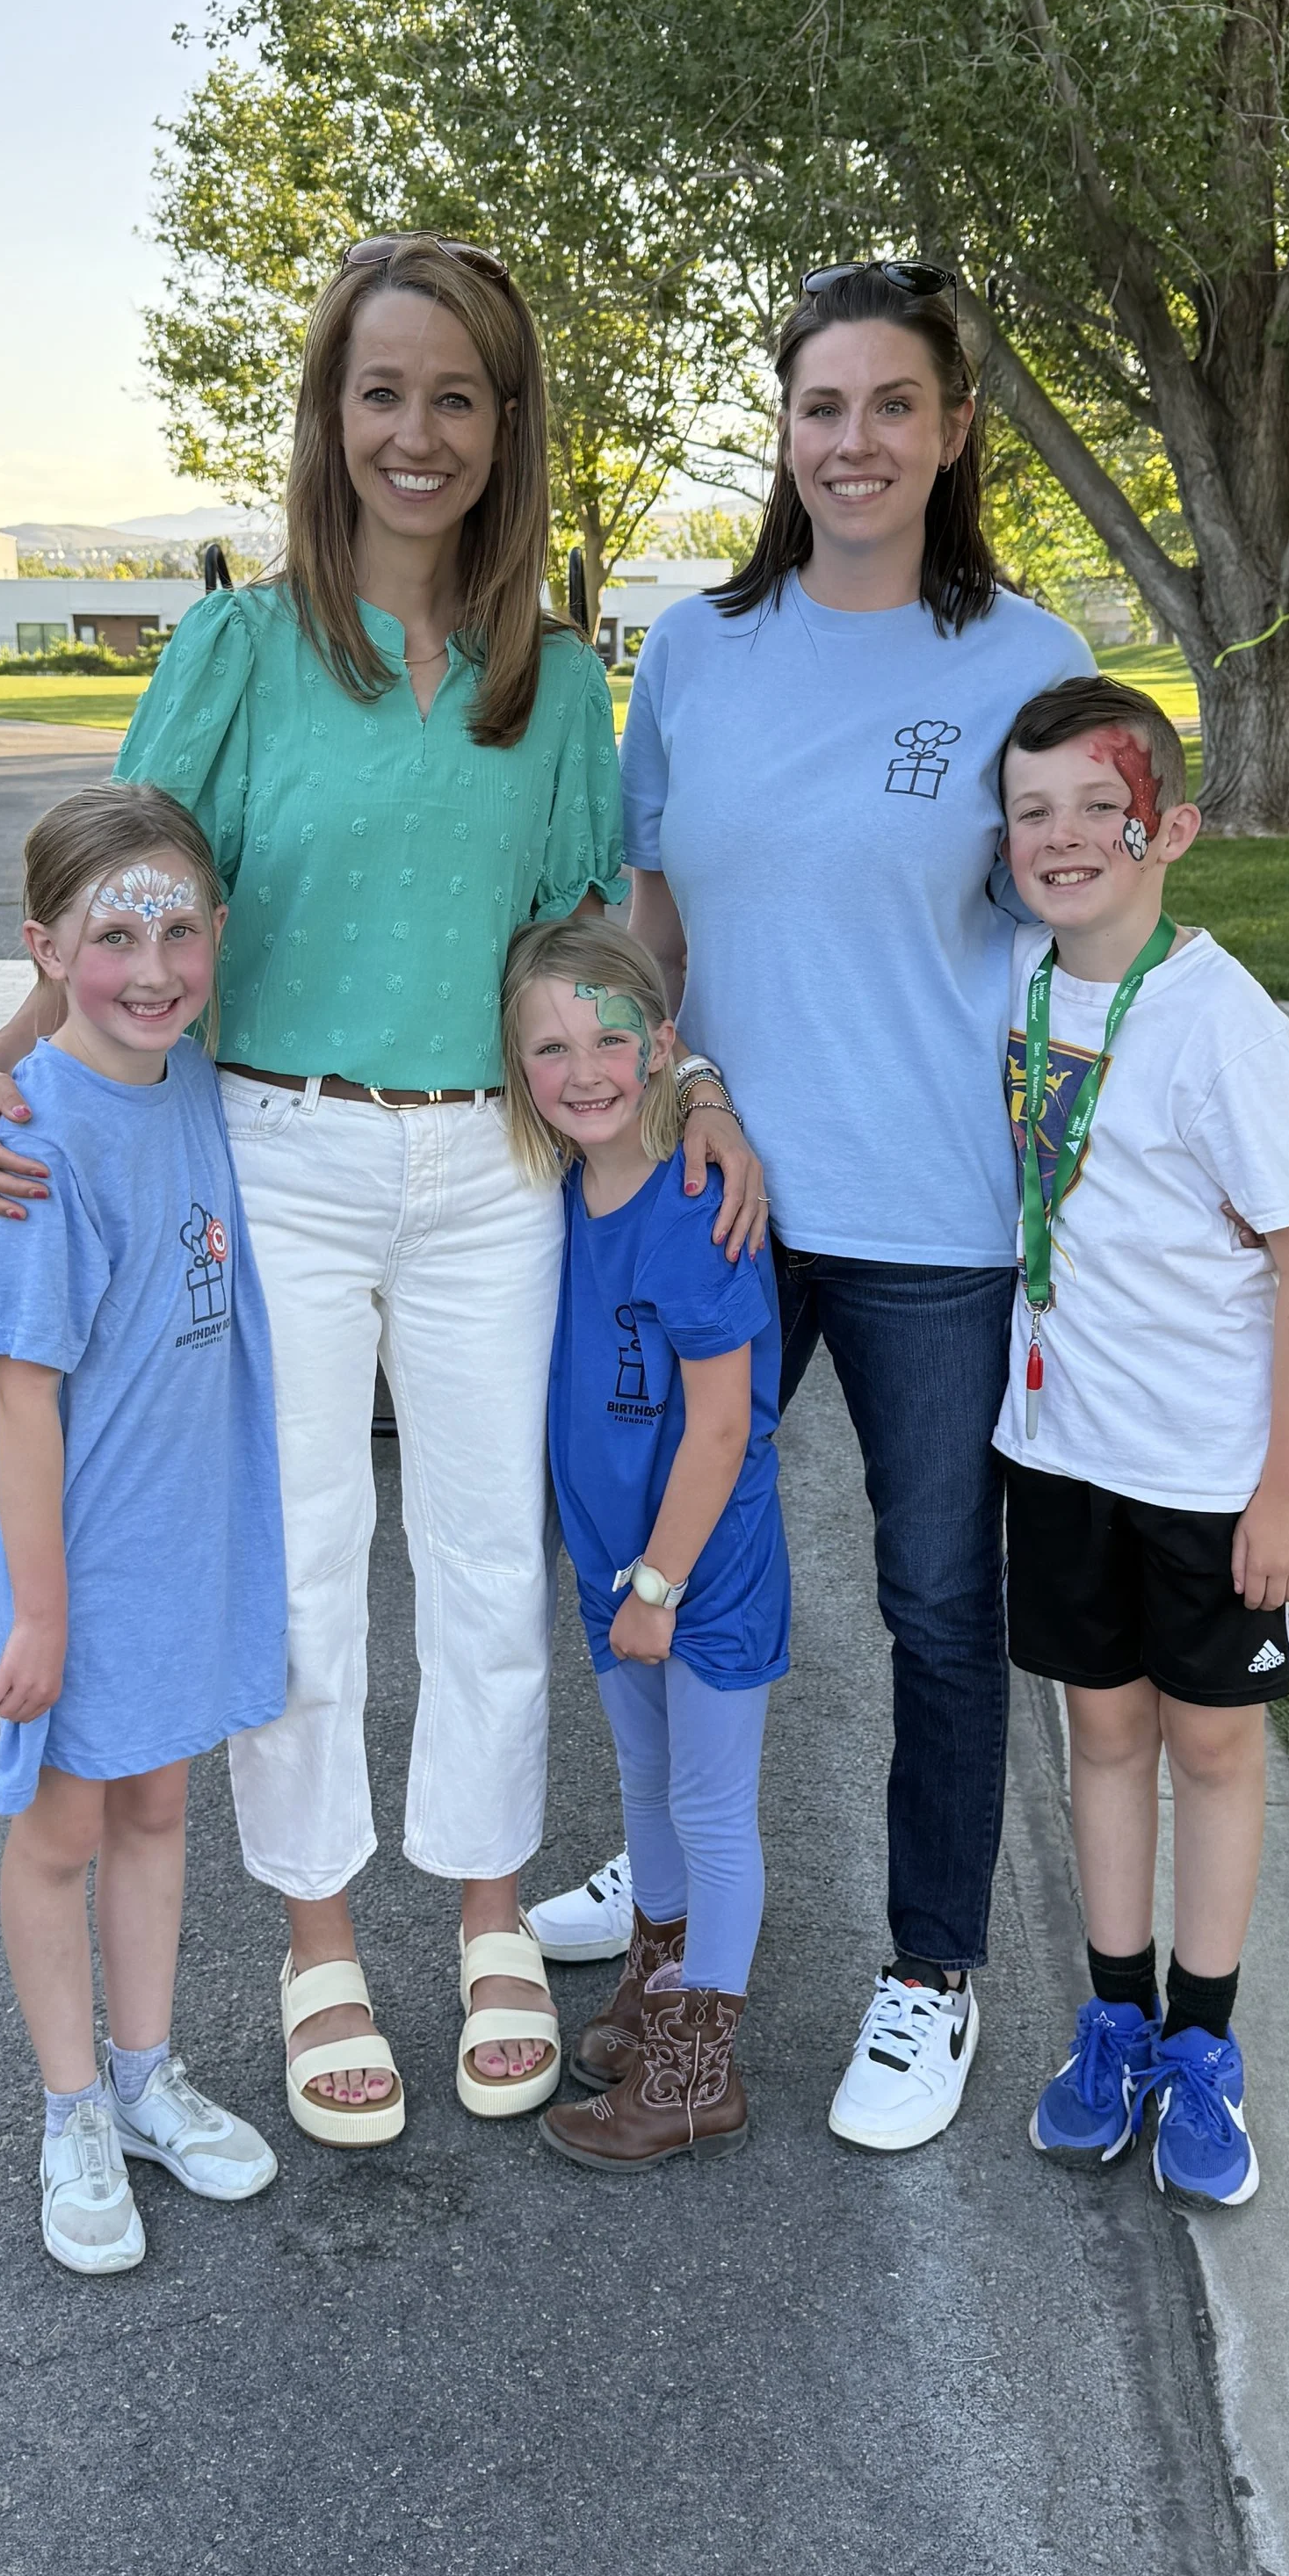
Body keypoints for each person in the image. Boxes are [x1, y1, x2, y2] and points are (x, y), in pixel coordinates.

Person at [0, 235, 760, 2146]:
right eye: (379, 393)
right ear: (327, 418)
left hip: (490, 1159)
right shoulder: (235, 649)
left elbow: (584, 928)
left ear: (503, 427)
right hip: (273, 1155)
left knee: (484, 1545)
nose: (415, 432)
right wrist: (6, 1056)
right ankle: (317, 1931)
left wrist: (687, 1072)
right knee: (303, 1552)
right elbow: (124, 879)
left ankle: (484, 1903)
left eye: (455, 396)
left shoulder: (553, 678)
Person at [532, 258, 1091, 2152]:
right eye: (817, 408)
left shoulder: (1024, 657)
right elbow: (651, 920)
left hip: (933, 1216)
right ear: (781, 433)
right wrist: (676, 1078)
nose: (851, 442)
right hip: (717, 1196)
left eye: (889, 407)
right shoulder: (695, 648)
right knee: (653, 1547)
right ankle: (669, 1880)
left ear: (948, 433)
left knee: (935, 1604)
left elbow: (1069, 908)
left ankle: (928, 1971)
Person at [993, 677, 1289, 2207]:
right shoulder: (1017, 982)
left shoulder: (1222, 1020)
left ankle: (1204, 2046)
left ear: (1171, 828)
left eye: (1099, 806)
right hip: (1066, 1451)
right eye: (1032, 811)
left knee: (1211, 1744)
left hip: (1213, 1479)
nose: (1064, 836)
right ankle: (1116, 2022)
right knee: (1104, 1736)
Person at [0, 784, 284, 2275]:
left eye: (176, 932)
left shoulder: (194, 1080)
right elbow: (25, 1401)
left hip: (181, 1533)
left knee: (159, 1806)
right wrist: (40, 1612)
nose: (149, 968)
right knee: (62, 1828)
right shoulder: (42, 1138)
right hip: (74, 1551)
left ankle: (150, 2076)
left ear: (216, 937)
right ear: (45, 951)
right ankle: (71, 2104)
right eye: (110, 937)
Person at [499, 919, 791, 2168]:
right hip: (617, 1571)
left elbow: (720, 1427)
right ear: (519, 1071)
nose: (587, 1070)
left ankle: (693, 2074)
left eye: (615, 1039)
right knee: (647, 1787)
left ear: (664, 1048)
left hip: (699, 1575)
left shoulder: (691, 1206)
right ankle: (657, 1980)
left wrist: (663, 1583)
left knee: (714, 1810)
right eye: (553, 1048)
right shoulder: (562, 1188)